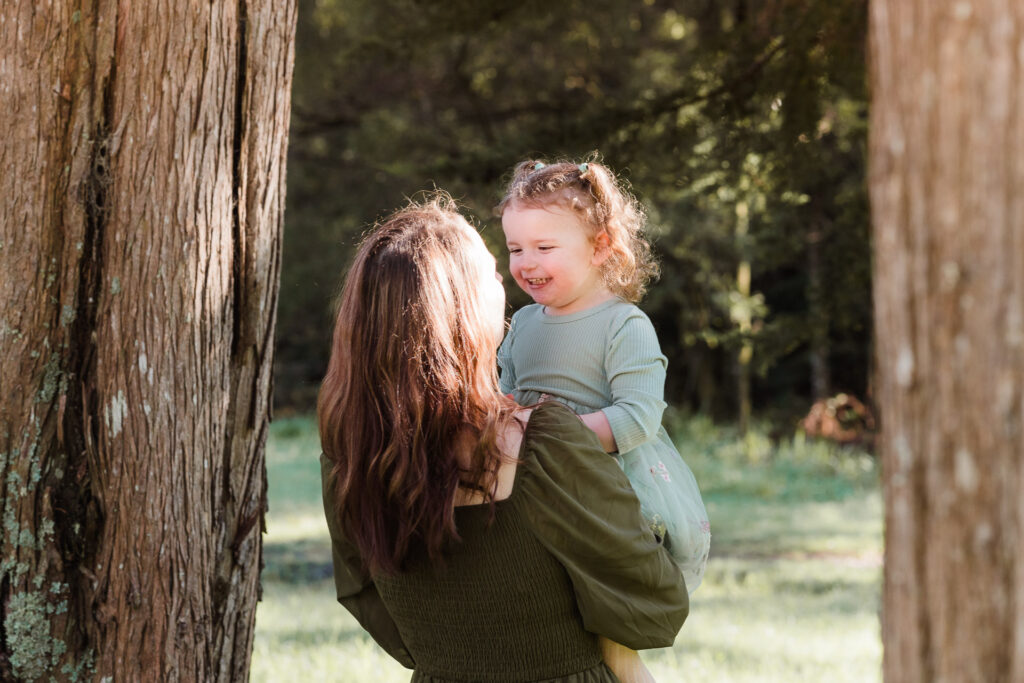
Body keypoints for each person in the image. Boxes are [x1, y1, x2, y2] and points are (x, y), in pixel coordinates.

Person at [318, 193, 689, 683]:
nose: (507, 282)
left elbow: (374, 608)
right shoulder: (543, 441)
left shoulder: (349, 460)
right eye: (493, 273)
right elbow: (652, 602)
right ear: (461, 312)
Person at [497, 159, 712, 679]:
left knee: (610, 638)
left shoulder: (623, 323)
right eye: (515, 249)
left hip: (607, 491)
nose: (527, 262)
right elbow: (502, 399)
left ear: (600, 246)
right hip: (533, 484)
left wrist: (550, 437)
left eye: (545, 248)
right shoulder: (522, 323)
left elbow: (637, 417)